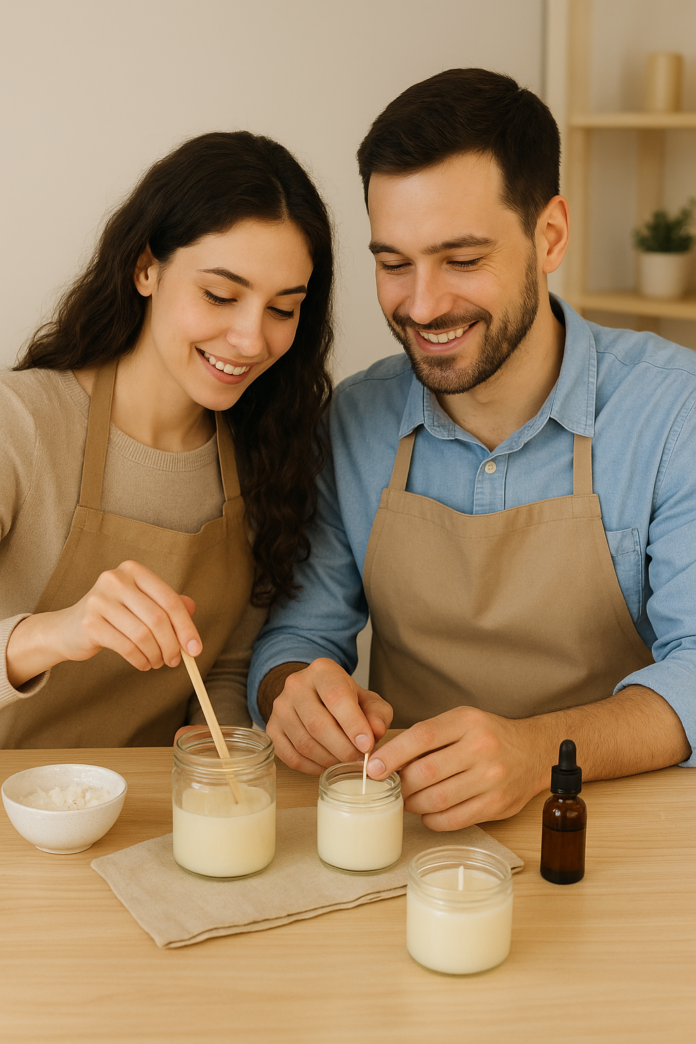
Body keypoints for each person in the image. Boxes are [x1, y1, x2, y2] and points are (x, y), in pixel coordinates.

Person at [249, 68, 694, 831]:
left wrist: (535, 753)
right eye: (393, 263)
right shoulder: (354, 417)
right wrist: (293, 692)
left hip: (608, 825)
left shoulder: (673, 410)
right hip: (408, 829)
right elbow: (295, 638)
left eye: (461, 260)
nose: (421, 305)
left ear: (548, 235)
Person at [0, 131, 333, 748]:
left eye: (282, 310)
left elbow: (225, 669)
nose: (251, 340)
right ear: (146, 267)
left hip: (156, 817)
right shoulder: (17, 425)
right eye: (220, 295)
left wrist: (228, 770)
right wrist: (55, 633)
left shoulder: (268, 452)